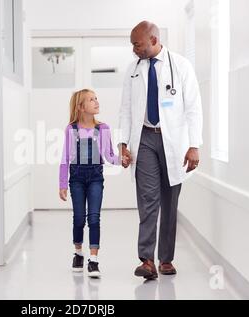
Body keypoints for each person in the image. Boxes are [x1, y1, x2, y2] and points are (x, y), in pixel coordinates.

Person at [118, 21, 203, 280]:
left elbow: (193, 107)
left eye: (138, 44)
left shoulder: (181, 66)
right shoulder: (132, 70)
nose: (134, 50)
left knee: (169, 201)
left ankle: (166, 259)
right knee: (147, 200)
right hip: (143, 138)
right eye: (132, 44)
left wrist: (194, 145)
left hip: (174, 141)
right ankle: (147, 260)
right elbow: (125, 109)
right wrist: (122, 143)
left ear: (154, 40)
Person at [59, 89, 127, 278]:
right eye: (91, 100)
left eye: (96, 98)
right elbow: (65, 158)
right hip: (77, 178)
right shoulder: (71, 129)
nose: (97, 102)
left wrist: (122, 159)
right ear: (80, 107)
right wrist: (62, 183)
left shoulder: (103, 128)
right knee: (79, 218)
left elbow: (109, 155)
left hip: (96, 177)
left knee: (94, 218)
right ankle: (79, 253)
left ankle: (94, 260)